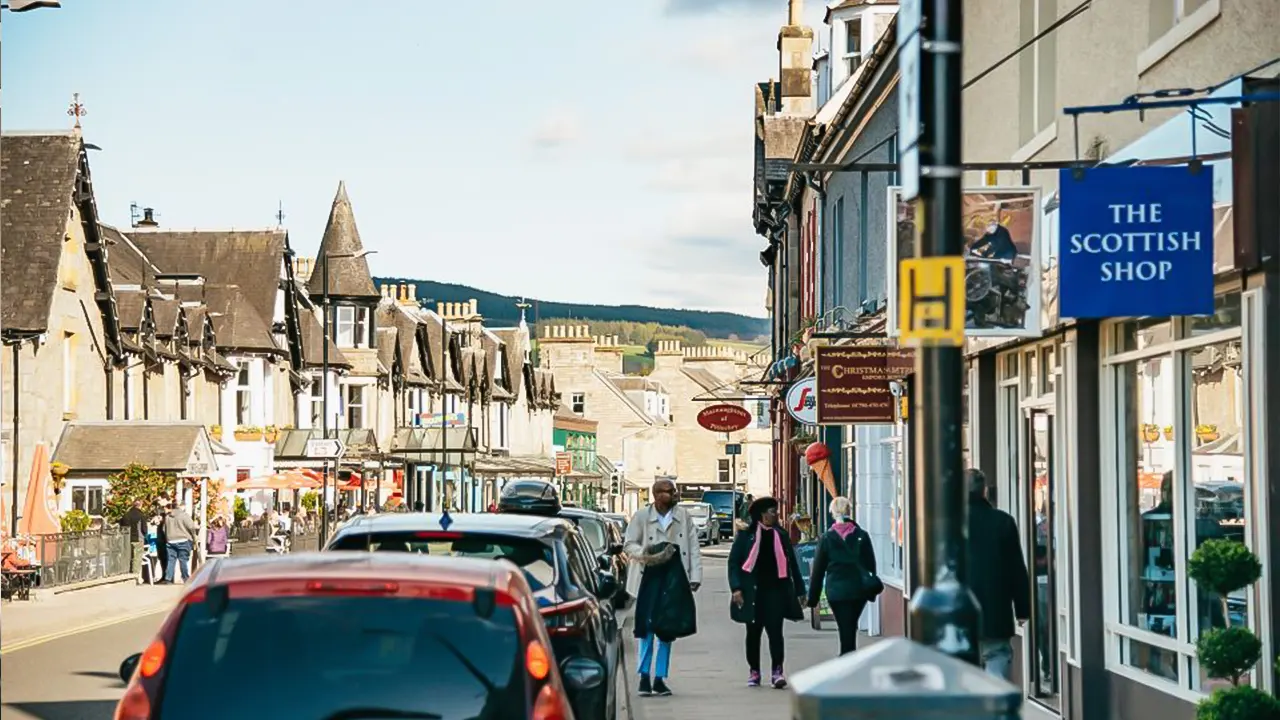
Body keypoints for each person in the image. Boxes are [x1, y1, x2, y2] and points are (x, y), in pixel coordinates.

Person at [623, 478, 702, 697]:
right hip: (648, 575)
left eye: (674, 491)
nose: (674, 495)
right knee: (646, 628)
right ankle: (644, 677)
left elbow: (693, 546)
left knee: (667, 628)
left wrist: (694, 576)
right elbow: (629, 544)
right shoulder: (641, 517)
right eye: (669, 492)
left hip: (674, 576)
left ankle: (660, 678)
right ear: (657, 495)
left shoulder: (683, 516)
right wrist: (647, 554)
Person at [728, 496, 806, 689]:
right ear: (762, 515)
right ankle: (754, 671)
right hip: (752, 592)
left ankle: (777, 671)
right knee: (753, 634)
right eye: (773, 511)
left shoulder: (781, 534)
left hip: (776, 592)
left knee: (776, 633)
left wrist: (800, 589)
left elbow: (792, 564)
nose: (776, 514)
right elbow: (734, 563)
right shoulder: (747, 536)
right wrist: (736, 588)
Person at [966, 468, 1031, 679]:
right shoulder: (1003, 522)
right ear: (984, 491)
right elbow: (1016, 569)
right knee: (996, 659)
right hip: (995, 613)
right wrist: (1023, 609)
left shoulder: (947, 524)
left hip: (961, 615)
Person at [807, 496, 879, 656]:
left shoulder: (827, 538)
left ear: (832, 513)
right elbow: (871, 565)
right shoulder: (862, 535)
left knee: (845, 626)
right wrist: (871, 591)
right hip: (858, 590)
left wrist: (812, 598)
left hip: (836, 591)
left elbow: (818, 571)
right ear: (849, 511)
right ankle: (848, 655)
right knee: (850, 625)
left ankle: (846, 657)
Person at [160, 499, 200, 584]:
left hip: (170, 541)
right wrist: (193, 537)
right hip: (183, 540)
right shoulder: (184, 515)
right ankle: (185, 578)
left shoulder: (167, 516)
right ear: (181, 506)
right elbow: (191, 527)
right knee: (183, 560)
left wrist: (168, 536)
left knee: (171, 560)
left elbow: (164, 529)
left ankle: (168, 578)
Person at [120, 499, 149, 583]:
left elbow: (122, 525)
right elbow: (144, 529)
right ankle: (135, 576)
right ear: (140, 505)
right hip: (138, 539)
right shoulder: (141, 515)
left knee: (128, 557)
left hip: (127, 539)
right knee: (137, 558)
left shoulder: (126, 515)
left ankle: (127, 573)